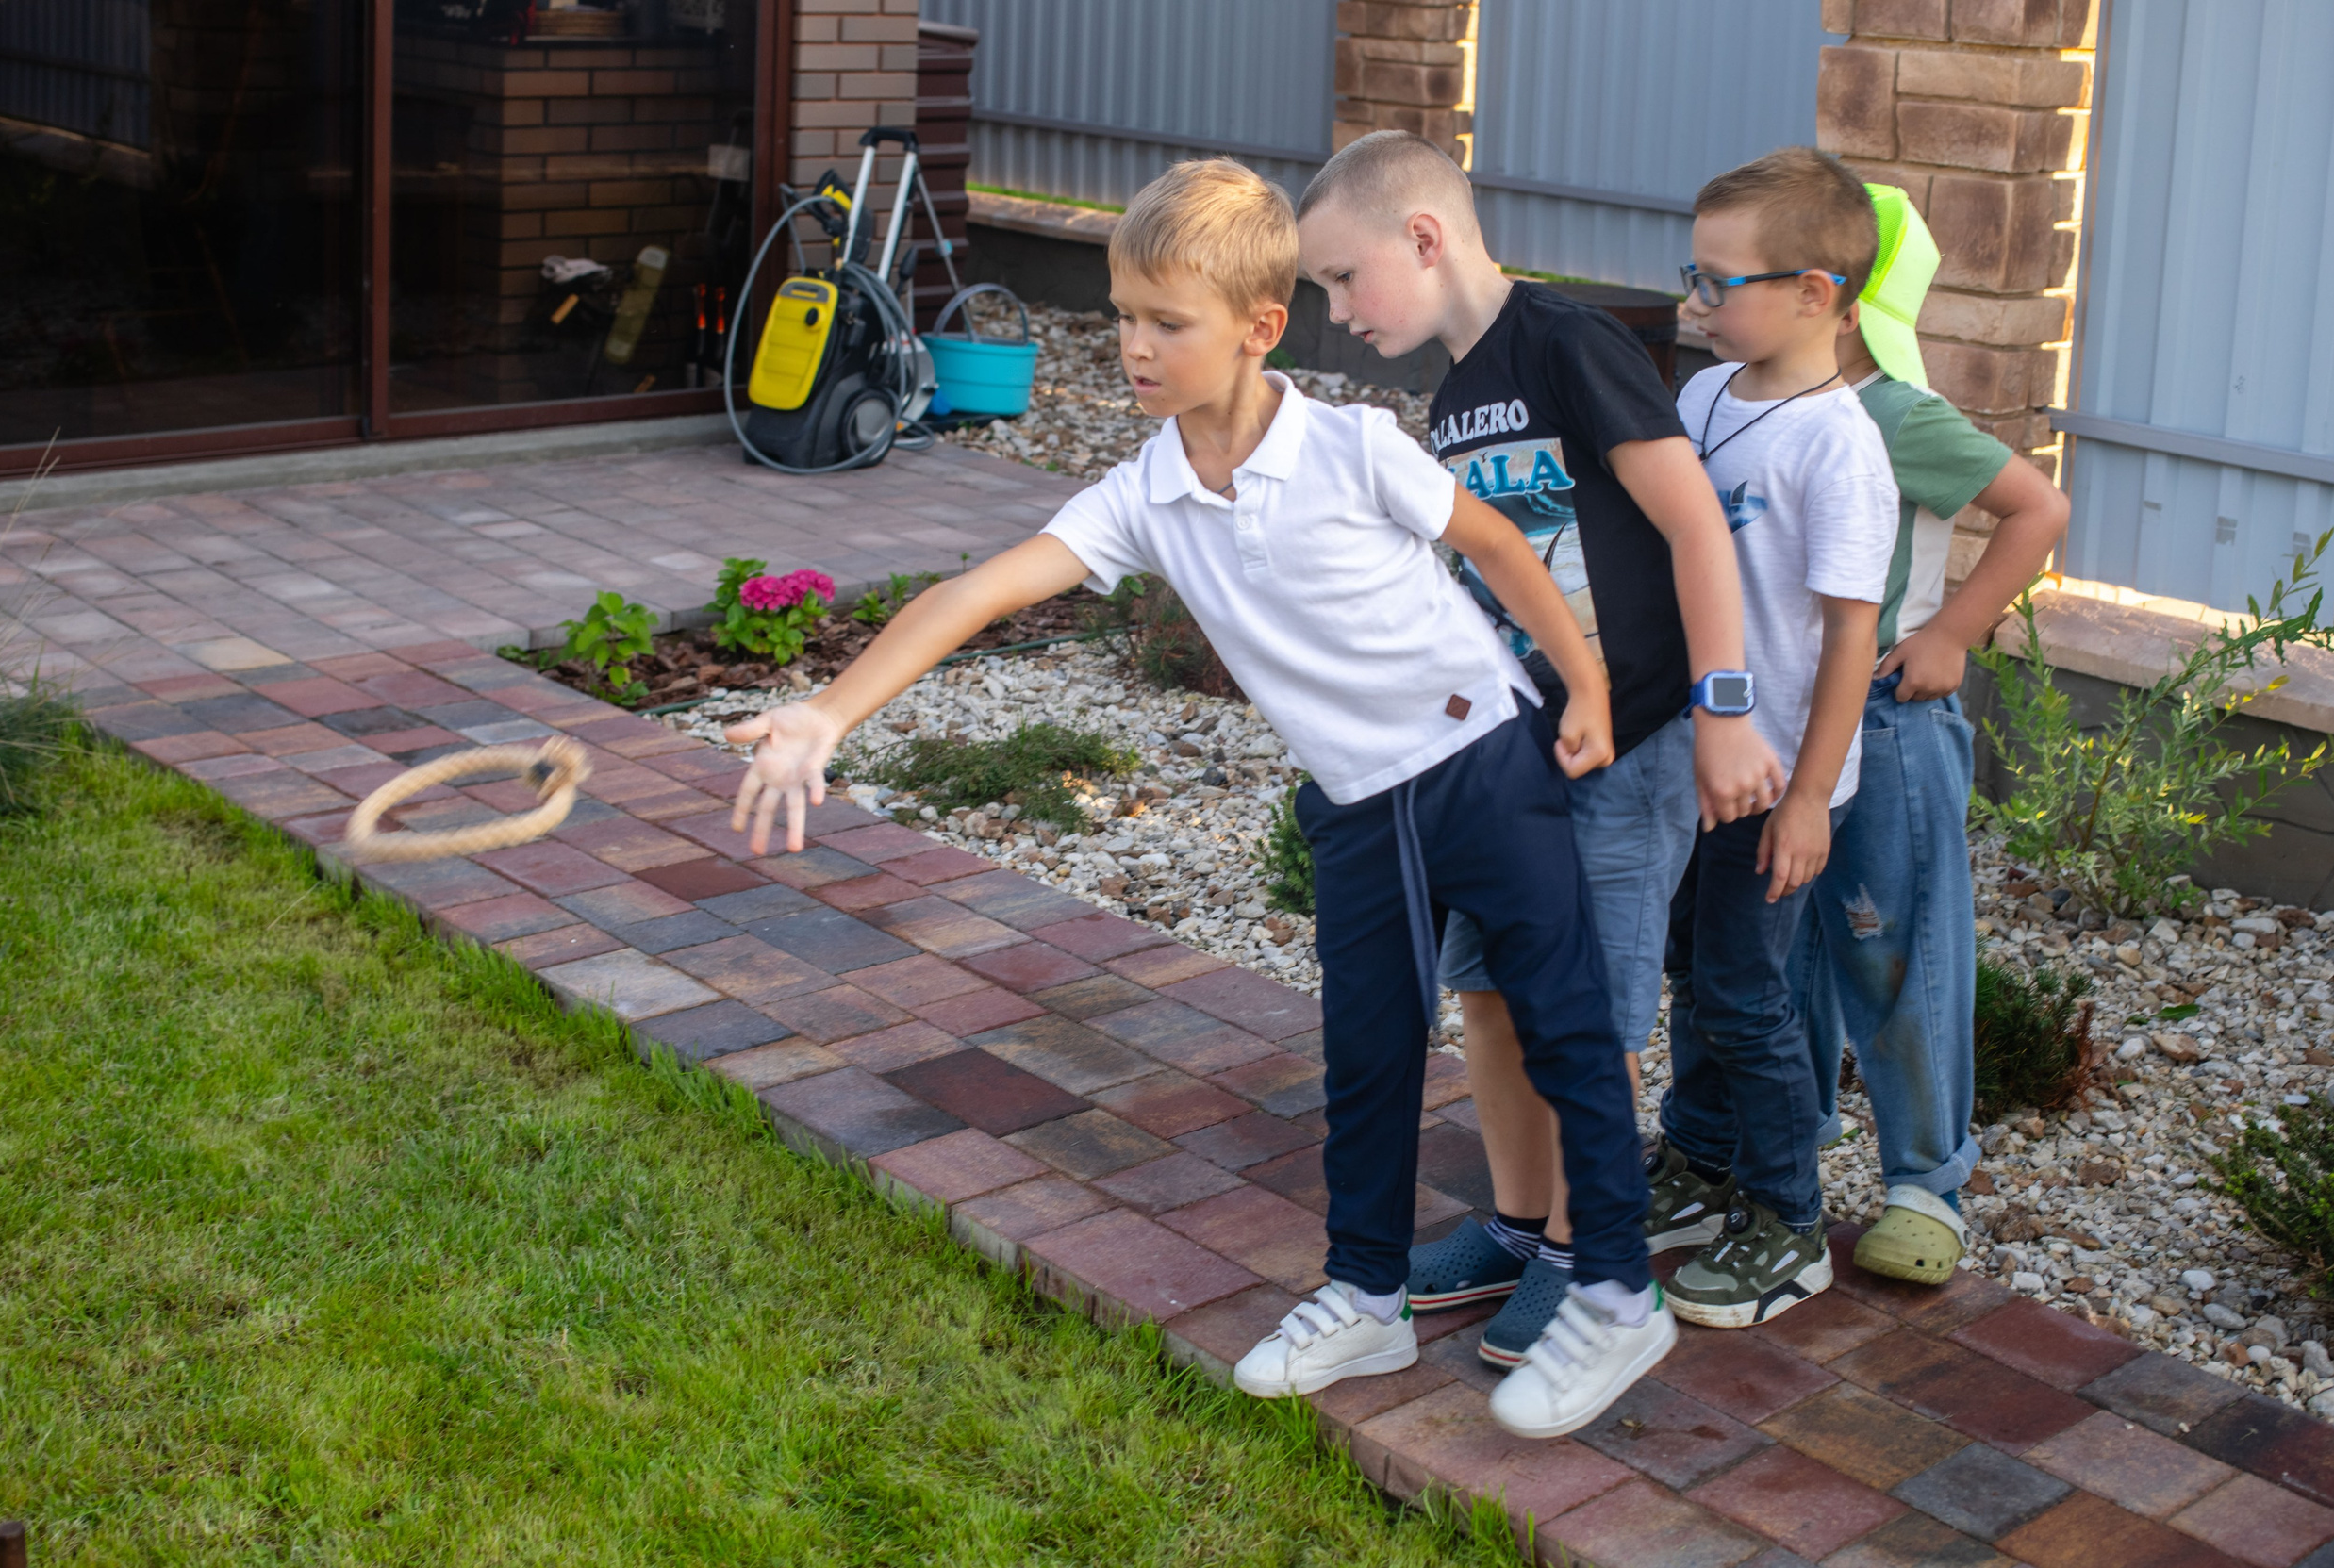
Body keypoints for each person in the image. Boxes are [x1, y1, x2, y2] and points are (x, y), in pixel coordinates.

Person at [724, 157, 1669, 1436]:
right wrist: (830, 711)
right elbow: (978, 589)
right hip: (1359, 802)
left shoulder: (1350, 446)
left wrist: (1587, 683)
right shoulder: (1146, 494)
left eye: (1167, 322)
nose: (1134, 346)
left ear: (1258, 327)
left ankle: (1615, 1290)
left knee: (1564, 1025)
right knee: (1369, 1054)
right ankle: (1368, 1295)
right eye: (1124, 315)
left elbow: (1497, 543)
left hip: (1482, 763)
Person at [1294, 131, 1785, 1372]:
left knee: (1589, 1007)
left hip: (1632, 742)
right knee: (1488, 982)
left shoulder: (1571, 342)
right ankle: (1521, 1226)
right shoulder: (1455, 395)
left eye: (1344, 278)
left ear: (1424, 237)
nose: (1338, 311)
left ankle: (1583, 1249)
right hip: (1510, 755)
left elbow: (1695, 528)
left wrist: (1725, 708)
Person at [1790, 185, 2071, 1284]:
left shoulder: (1896, 416)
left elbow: (2035, 507)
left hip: (1886, 718)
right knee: (1783, 947)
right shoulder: (1742, 405)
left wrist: (1953, 628)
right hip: (1781, 720)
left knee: (1892, 944)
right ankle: (1780, 1146)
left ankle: (1925, 1184)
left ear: (1835, 299)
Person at [1649, 147, 1897, 1328]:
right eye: (1692, 275)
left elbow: (1852, 634)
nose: (1695, 303)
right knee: (1693, 970)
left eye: (1718, 282)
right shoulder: (1703, 397)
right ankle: (1699, 1161)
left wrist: (1807, 797)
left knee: (1748, 994)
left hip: (1778, 777)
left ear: (1814, 292)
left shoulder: (1837, 446)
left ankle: (1788, 1221)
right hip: (1694, 758)